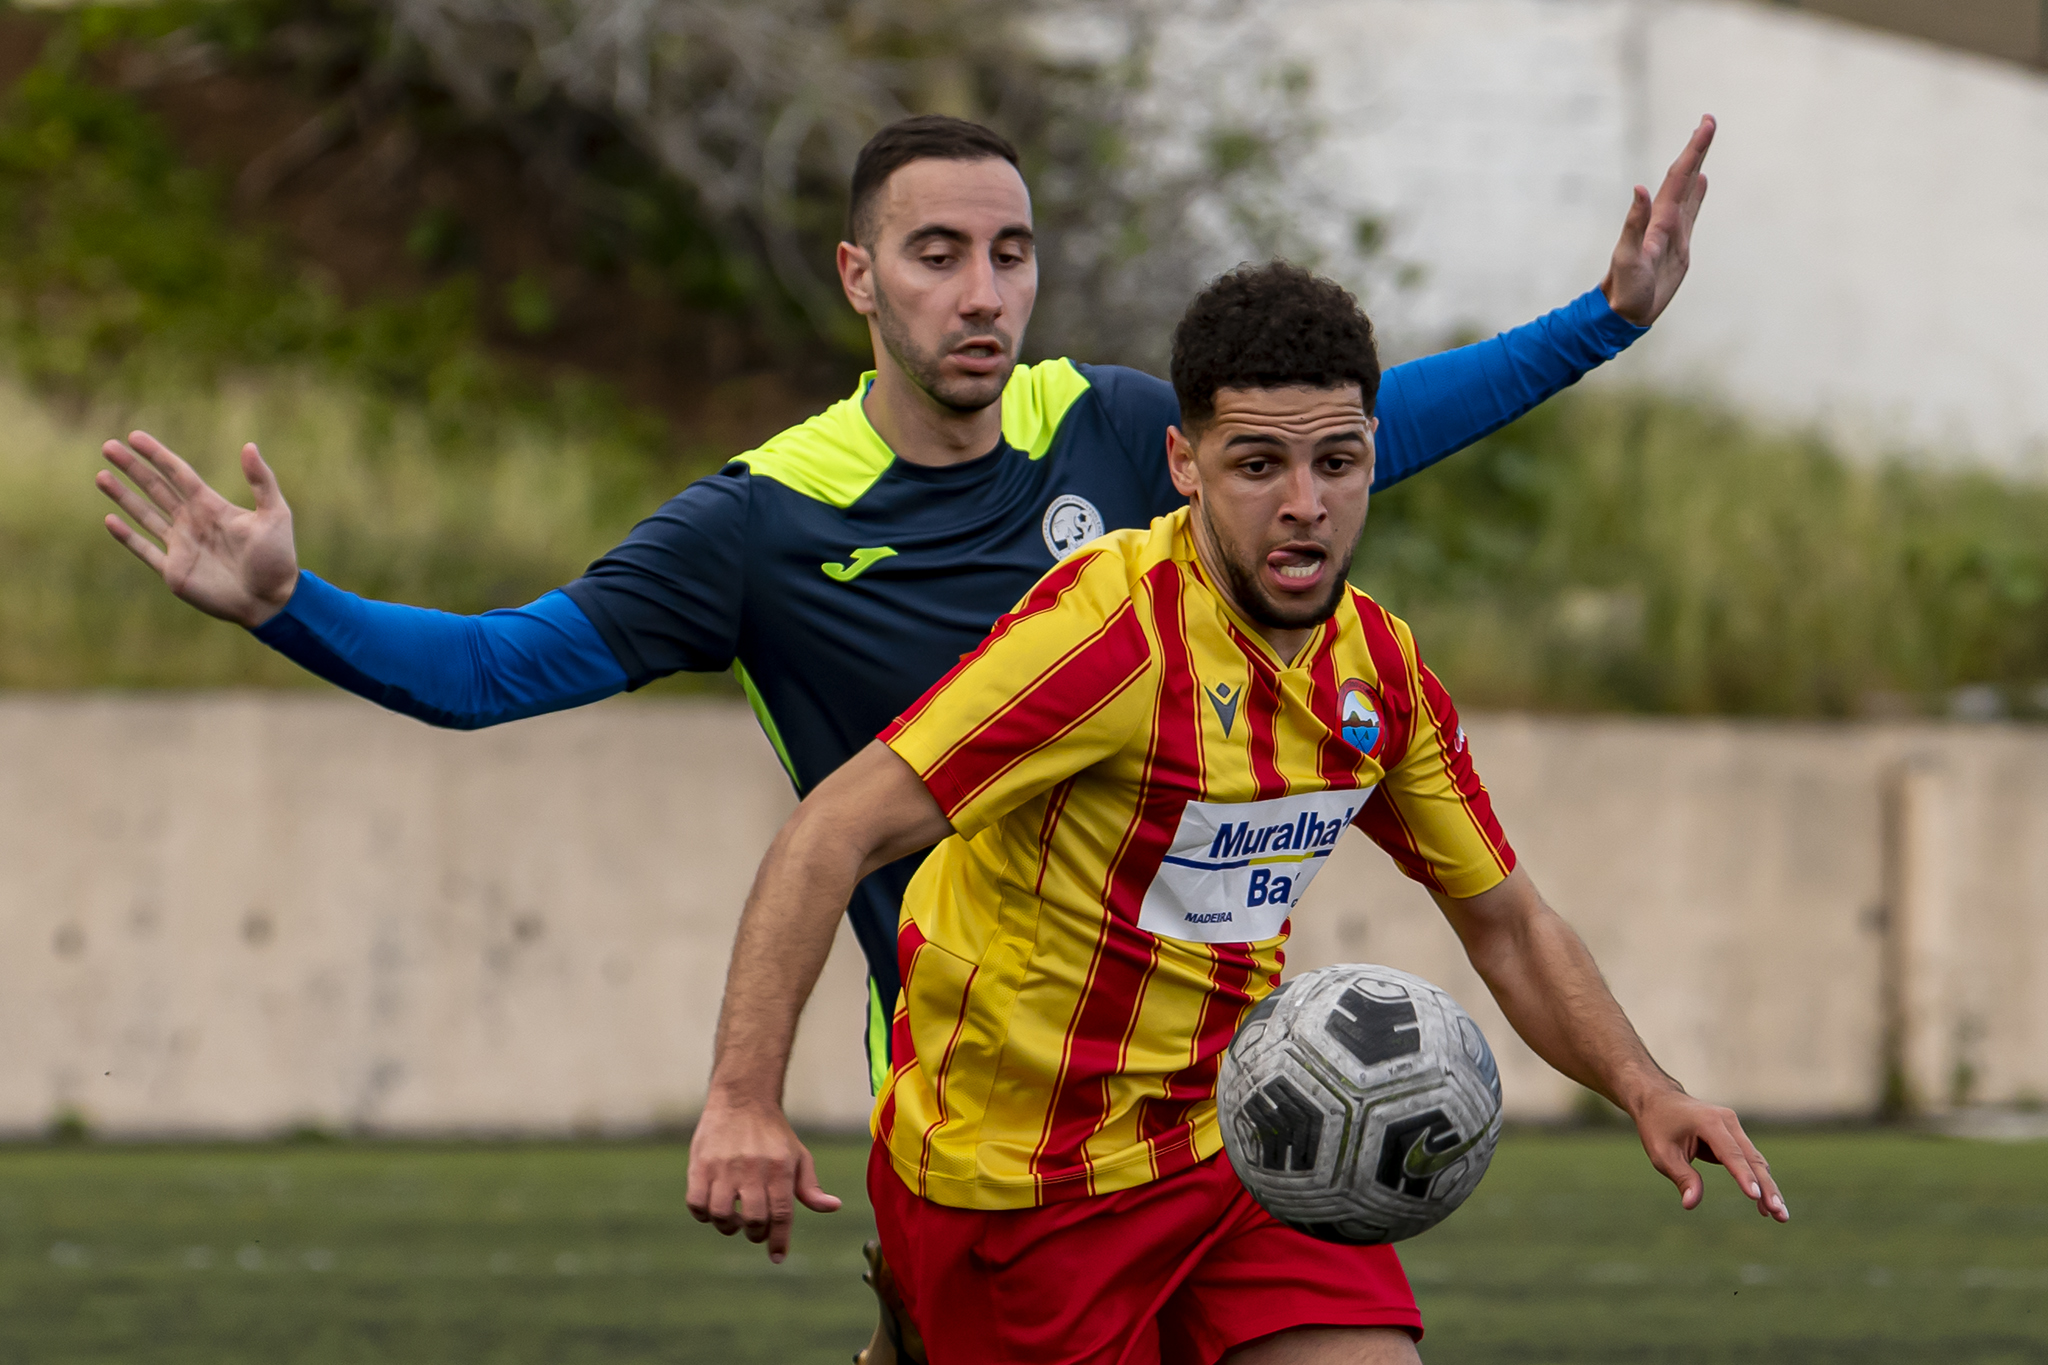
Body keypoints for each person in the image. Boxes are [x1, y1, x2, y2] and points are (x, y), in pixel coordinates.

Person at [95, 111, 1712, 1363]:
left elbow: (1342, 428)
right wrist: (286, 604)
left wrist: (1603, 319)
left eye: (1010, 252)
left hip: (1203, 1099)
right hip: (977, 1104)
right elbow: (495, 670)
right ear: (858, 278)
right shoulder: (762, 527)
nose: (983, 293)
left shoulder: (1100, 424)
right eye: (936, 254)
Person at [686, 261, 1788, 1364]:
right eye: (1257, 464)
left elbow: (1506, 921)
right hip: (1022, 1182)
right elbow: (829, 831)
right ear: (1183, 465)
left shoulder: (1376, 672)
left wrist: (1642, 1085)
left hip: (1252, 1138)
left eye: (1337, 462)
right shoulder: (1105, 639)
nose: (1303, 504)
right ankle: (915, 1331)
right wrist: (743, 1099)